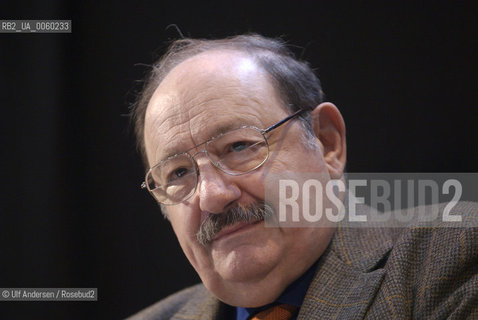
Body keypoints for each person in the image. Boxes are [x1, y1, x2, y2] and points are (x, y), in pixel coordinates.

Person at [128, 34, 478, 319]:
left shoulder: (451, 255)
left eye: (238, 146)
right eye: (178, 172)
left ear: (327, 142)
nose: (212, 196)